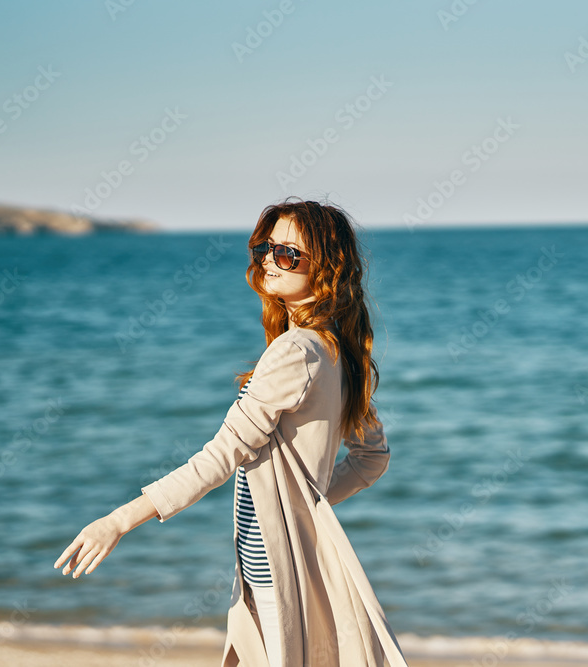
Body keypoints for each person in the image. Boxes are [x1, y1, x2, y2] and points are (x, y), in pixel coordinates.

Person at [54, 198, 409, 666]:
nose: (270, 261)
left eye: (288, 254)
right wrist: (306, 506)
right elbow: (372, 459)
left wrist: (118, 521)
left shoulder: (295, 351)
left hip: (270, 562)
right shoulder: (338, 350)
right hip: (275, 557)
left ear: (326, 266)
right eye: (265, 249)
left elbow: (219, 457)